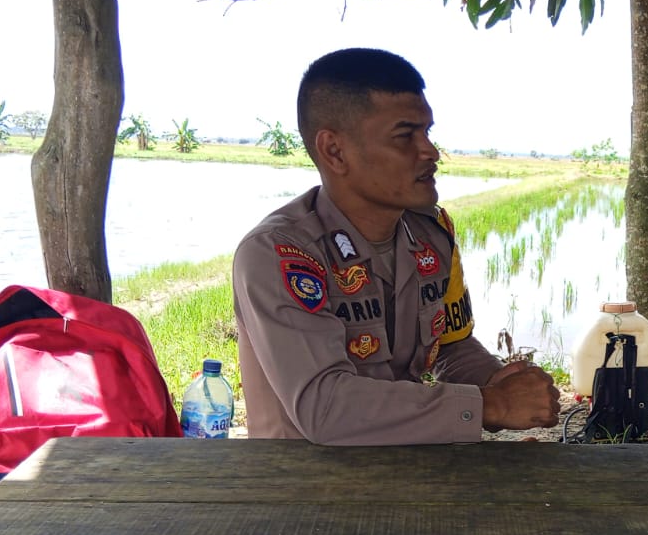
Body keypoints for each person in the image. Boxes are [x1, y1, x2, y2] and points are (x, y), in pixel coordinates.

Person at [233, 48, 559, 445]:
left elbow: (451, 347)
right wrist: (489, 404)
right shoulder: (280, 253)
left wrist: (499, 381)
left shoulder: (431, 236)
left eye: (428, 132)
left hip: (409, 468)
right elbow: (326, 408)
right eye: (405, 136)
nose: (430, 151)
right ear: (335, 151)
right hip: (302, 489)